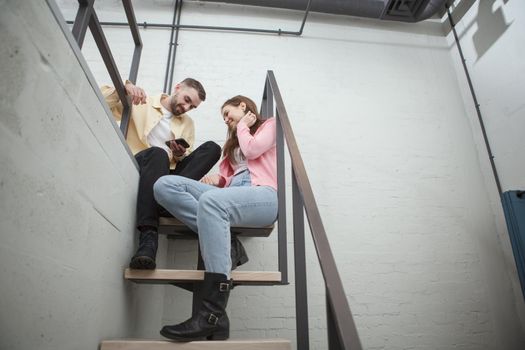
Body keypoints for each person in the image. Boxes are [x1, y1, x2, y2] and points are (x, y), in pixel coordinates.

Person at [153, 95, 278, 341]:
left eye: (227, 113)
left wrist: (242, 125)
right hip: (230, 195)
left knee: (212, 201)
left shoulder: (270, 125)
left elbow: (253, 150)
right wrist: (216, 180)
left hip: (263, 196)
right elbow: (226, 177)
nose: (226, 119)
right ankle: (227, 241)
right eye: (223, 117)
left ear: (243, 105)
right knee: (164, 185)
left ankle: (211, 314)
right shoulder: (231, 144)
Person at [101, 78, 221, 269]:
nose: (186, 107)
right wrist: (124, 89)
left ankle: (166, 198)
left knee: (213, 148)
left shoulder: (187, 123)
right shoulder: (143, 100)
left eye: (192, 106)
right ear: (178, 87)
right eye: (187, 99)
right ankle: (148, 240)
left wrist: (179, 154)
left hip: (167, 176)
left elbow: (184, 160)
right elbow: (103, 101)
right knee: (159, 153)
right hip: (142, 161)